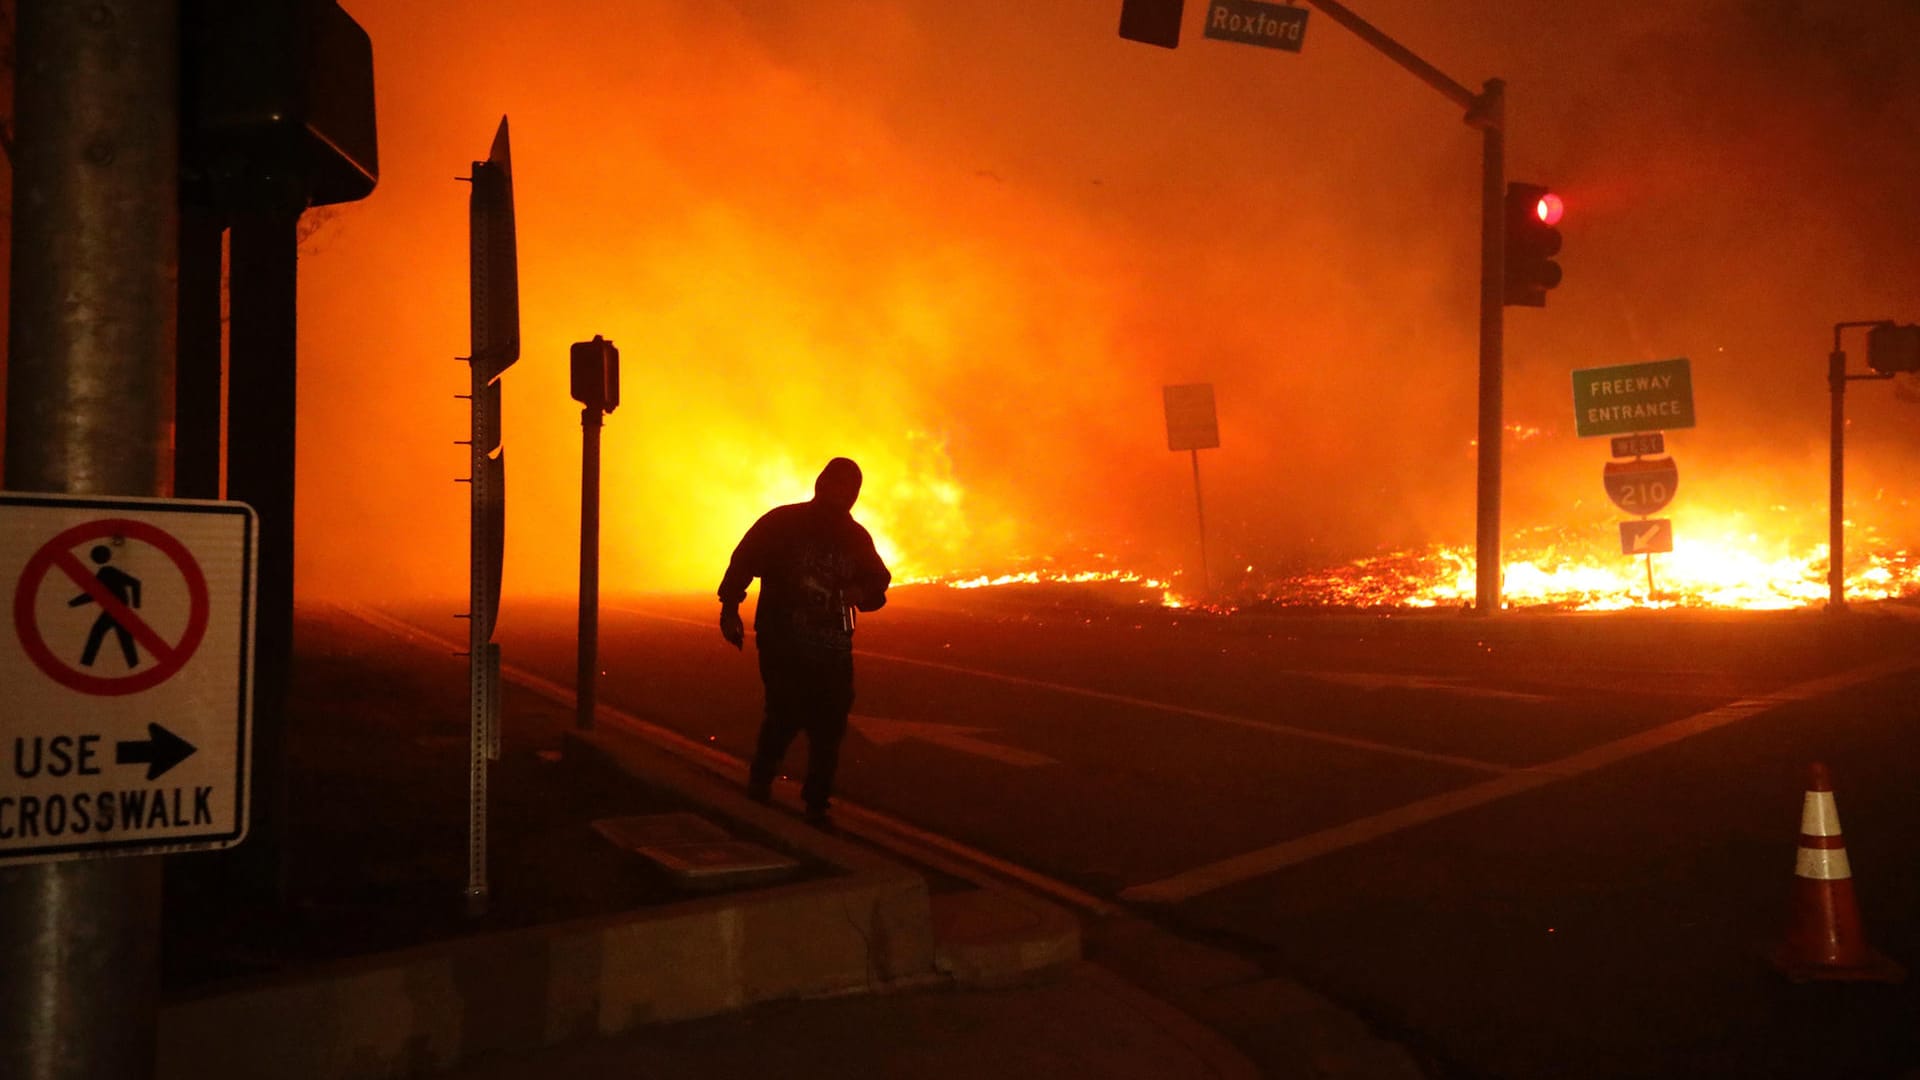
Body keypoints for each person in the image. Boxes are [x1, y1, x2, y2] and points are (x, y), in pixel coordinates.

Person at [718, 457, 891, 828]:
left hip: (833, 646)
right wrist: (730, 606)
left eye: (851, 488)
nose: (844, 494)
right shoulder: (783, 523)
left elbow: (879, 583)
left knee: (830, 723)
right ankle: (761, 782)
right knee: (785, 712)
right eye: (837, 485)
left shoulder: (855, 537)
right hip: (784, 639)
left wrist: (859, 592)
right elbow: (743, 561)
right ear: (821, 484)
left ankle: (816, 802)